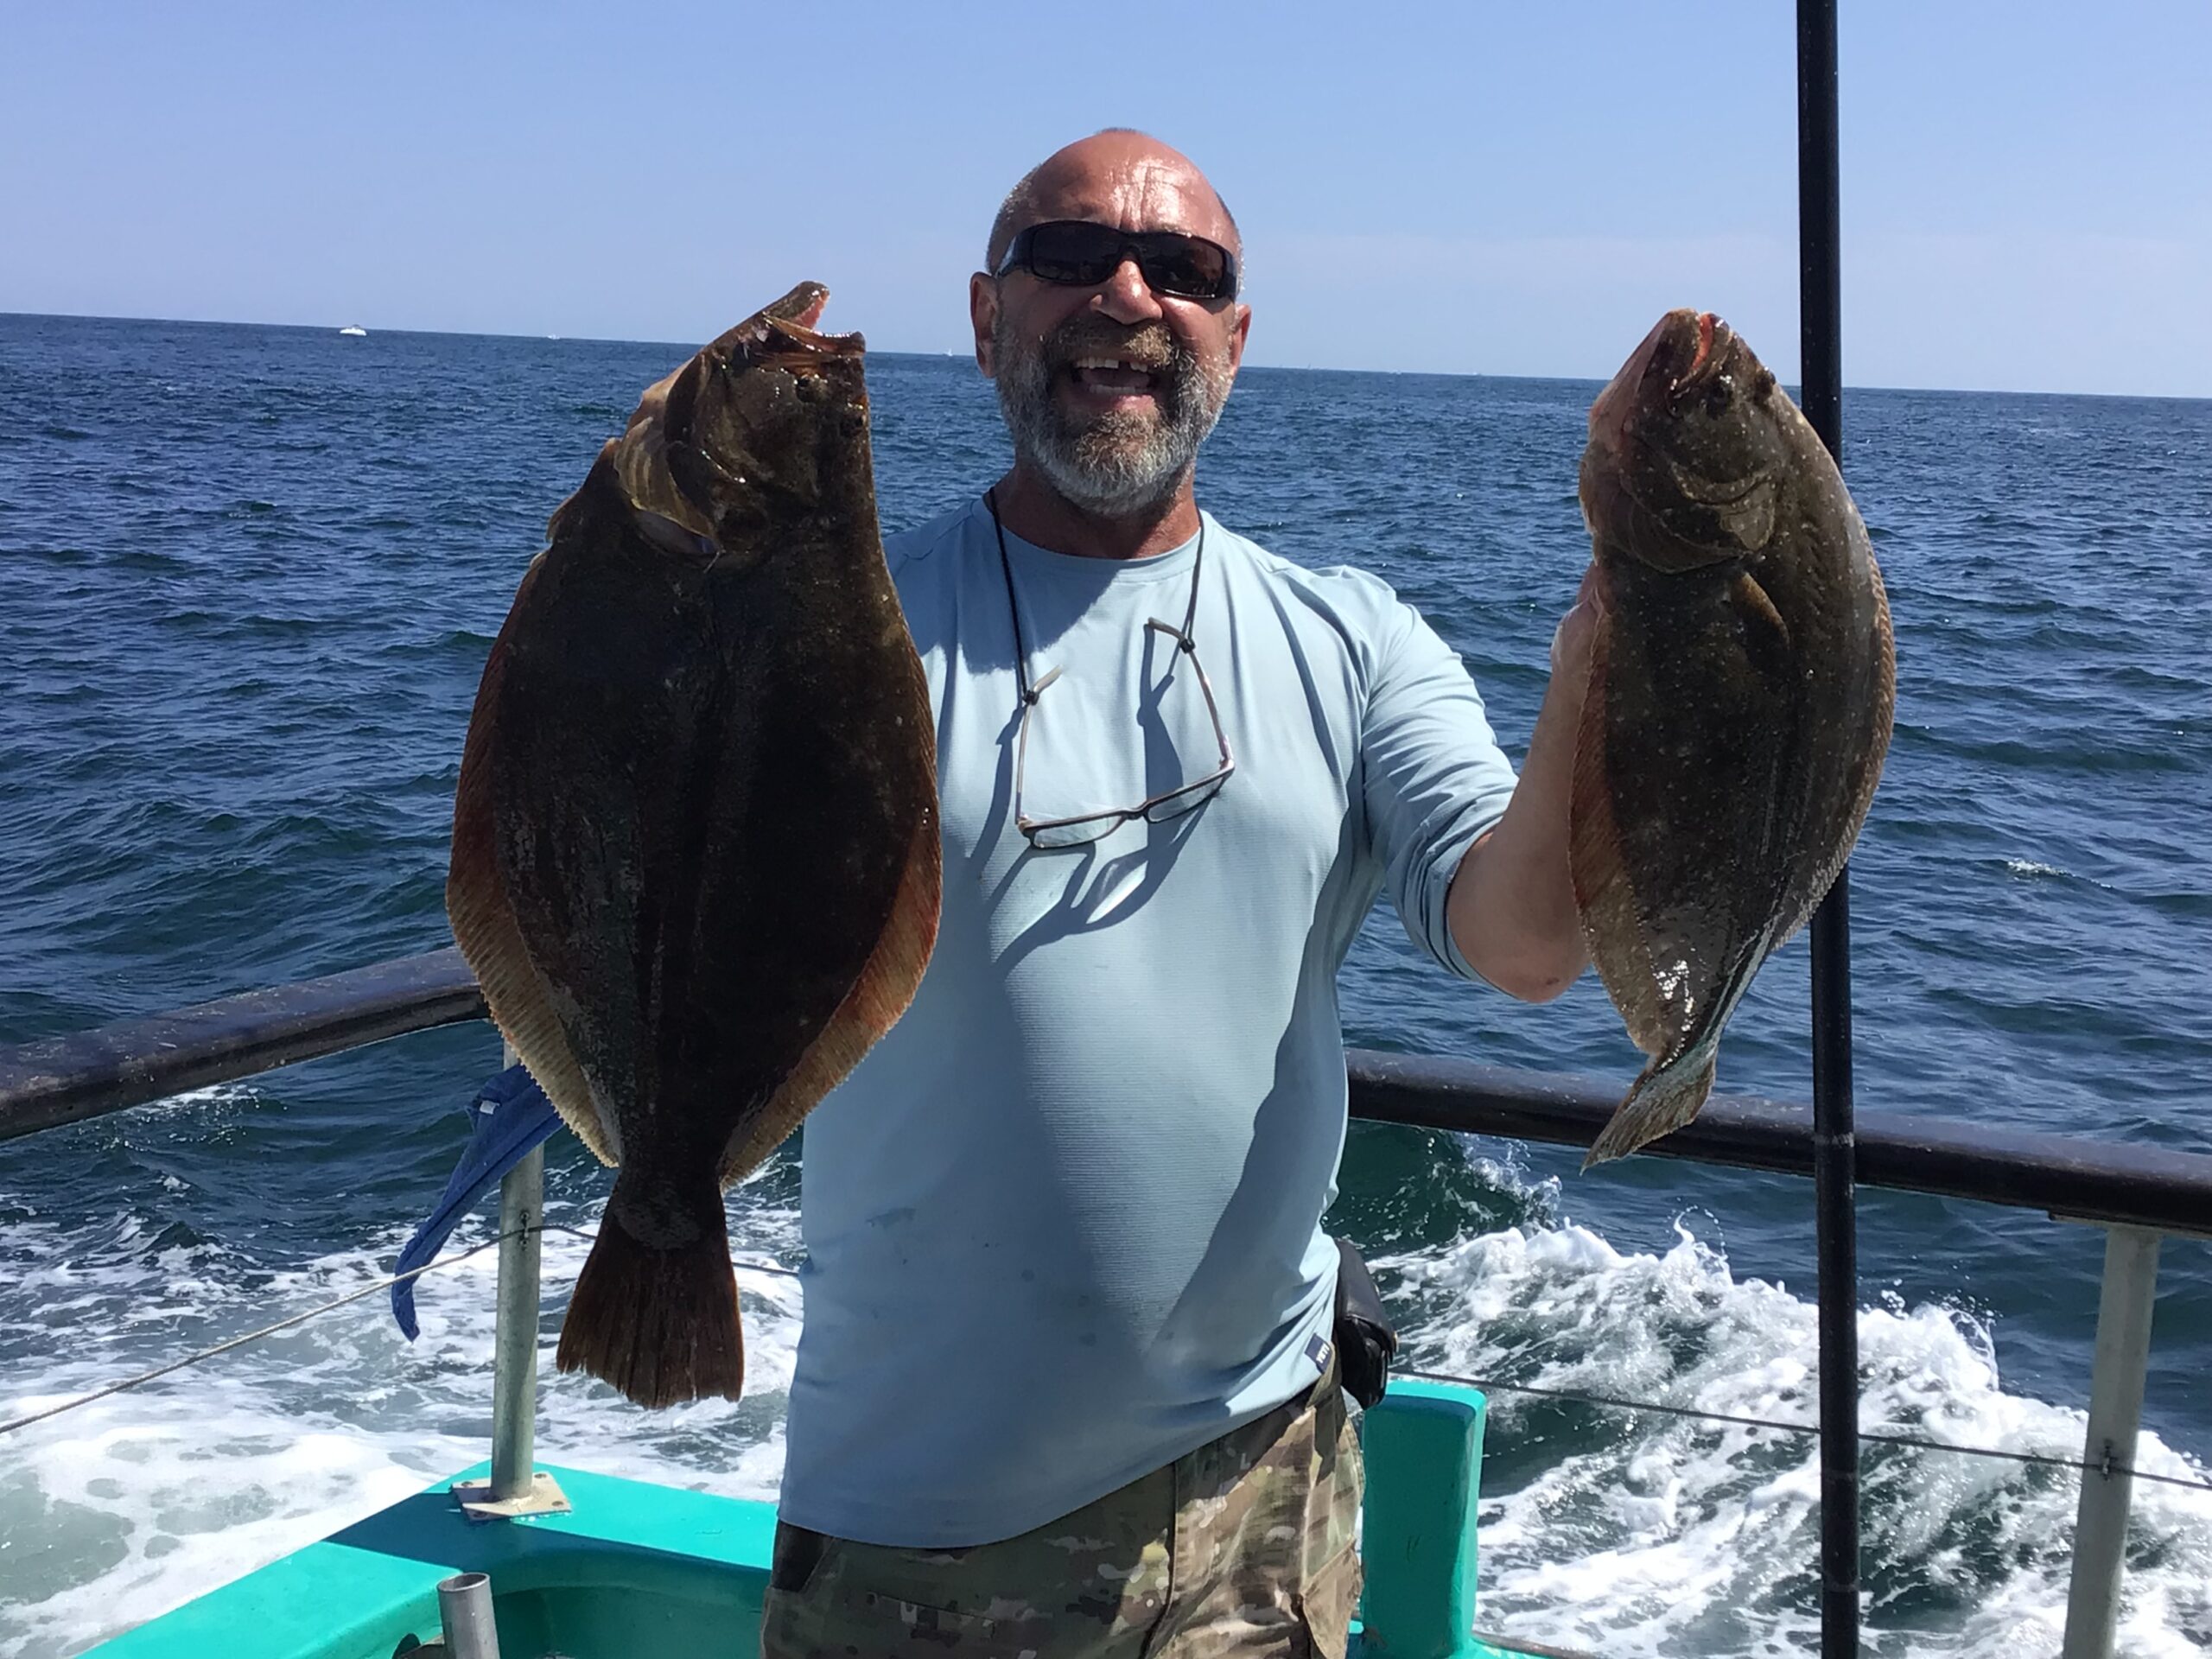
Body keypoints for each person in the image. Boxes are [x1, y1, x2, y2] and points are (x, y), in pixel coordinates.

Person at [764, 129, 1597, 1659]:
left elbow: (1528, 943)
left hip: (1263, 1493)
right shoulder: (845, 633)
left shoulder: (1351, 637)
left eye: (1188, 271)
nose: (1130, 295)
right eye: (1070, 257)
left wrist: (1610, 641)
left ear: (1237, 336)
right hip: (918, 1511)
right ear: (985, 313)